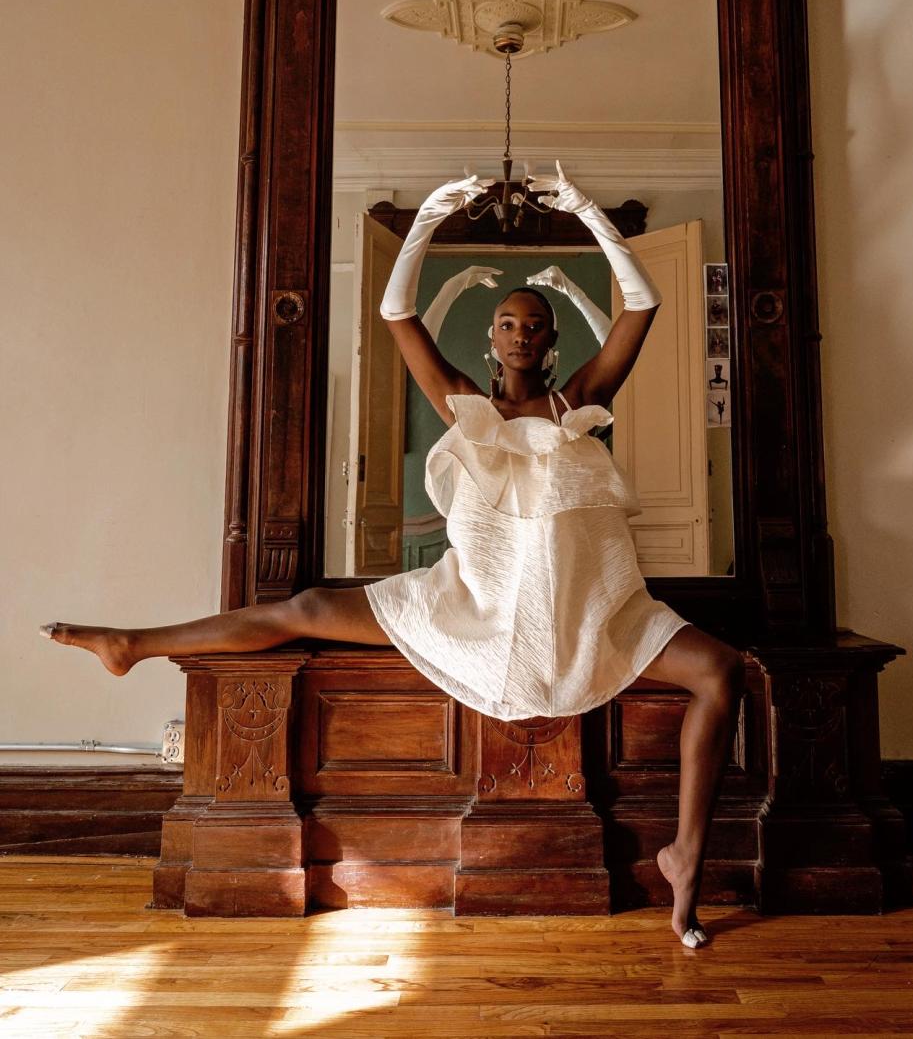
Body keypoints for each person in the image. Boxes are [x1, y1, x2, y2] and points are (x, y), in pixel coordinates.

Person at [41, 163, 745, 950]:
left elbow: (643, 302)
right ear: (492, 335)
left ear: (551, 340)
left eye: (535, 324)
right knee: (304, 609)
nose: (521, 333)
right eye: (509, 322)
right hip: (472, 606)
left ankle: (687, 856)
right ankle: (133, 643)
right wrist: (428, 221)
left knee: (721, 673)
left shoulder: (578, 398)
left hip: (592, 611)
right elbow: (394, 308)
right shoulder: (458, 400)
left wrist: (584, 208)